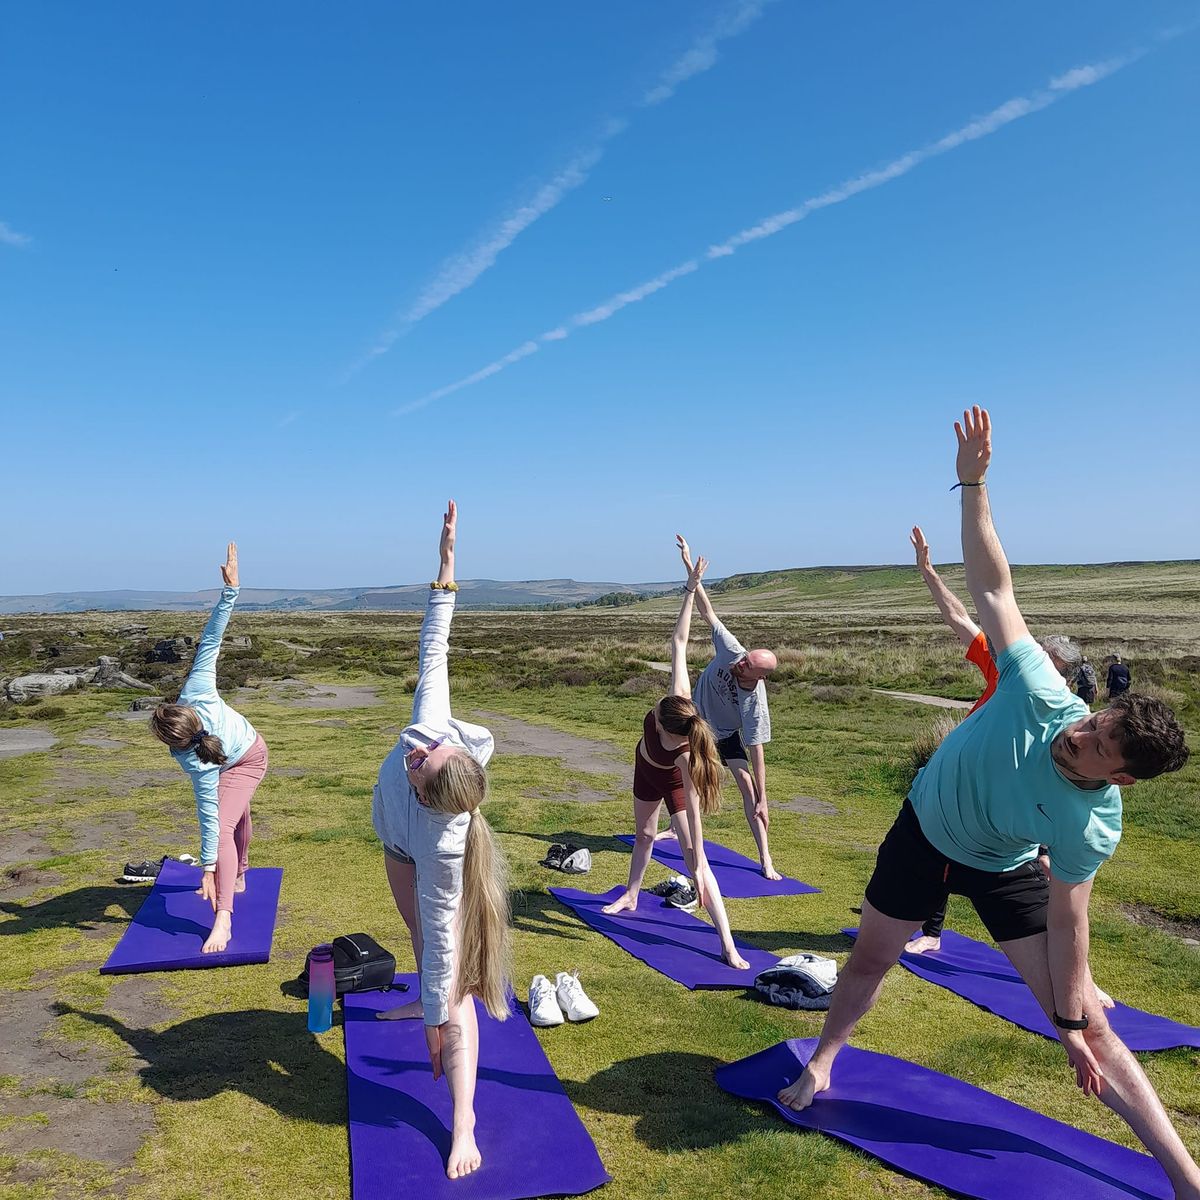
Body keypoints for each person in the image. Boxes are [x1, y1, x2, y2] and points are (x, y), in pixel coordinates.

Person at [778, 408, 1198, 1199]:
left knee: (1094, 1025)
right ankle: (826, 1058)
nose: (1079, 736)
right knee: (872, 958)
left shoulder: (1092, 822)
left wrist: (1071, 1023)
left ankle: (1184, 1175)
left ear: (1123, 780)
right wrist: (973, 484)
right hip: (925, 833)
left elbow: (1072, 920)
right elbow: (993, 585)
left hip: (1002, 863)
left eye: (1097, 747)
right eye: (1094, 722)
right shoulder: (1042, 690)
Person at [371, 501, 512, 1182]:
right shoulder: (432, 729)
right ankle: (427, 1001)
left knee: (449, 975)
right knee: (422, 946)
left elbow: (442, 925)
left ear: (431, 799)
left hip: (416, 853)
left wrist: (435, 1019)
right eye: (418, 755)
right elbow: (436, 645)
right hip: (395, 846)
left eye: (413, 770)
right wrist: (446, 564)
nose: (408, 757)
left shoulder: (447, 845)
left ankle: (463, 1120)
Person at [905, 526, 1080, 955]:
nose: (1039, 673)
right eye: (1039, 661)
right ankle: (930, 931)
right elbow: (959, 618)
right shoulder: (1006, 669)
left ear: (1064, 678)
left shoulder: (1069, 715)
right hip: (964, 780)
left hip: (1021, 797)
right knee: (935, 843)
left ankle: (1075, 970)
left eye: (1052, 669)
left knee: (1041, 873)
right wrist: (928, 572)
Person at [602, 548, 750, 971]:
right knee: (644, 835)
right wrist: (689, 586)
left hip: (668, 781)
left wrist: (698, 860)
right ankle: (630, 894)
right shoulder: (679, 700)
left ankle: (727, 943)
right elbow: (679, 641)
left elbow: (696, 815)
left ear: (671, 732)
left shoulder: (685, 755)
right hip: (643, 772)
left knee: (696, 862)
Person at [149, 543, 269, 955]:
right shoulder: (196, 692)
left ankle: (224, 919)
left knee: (226, 827)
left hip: (251, 756)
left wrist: (209, 866)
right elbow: (212, 638)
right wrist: (230, 590)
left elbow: (209, 822)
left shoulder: (187, 755)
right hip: (238, 752)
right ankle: (241, 871)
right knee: (234, 817)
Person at [675, 534, 781, 880]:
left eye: (748, 666)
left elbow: (757, 751)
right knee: (682, 773)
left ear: (759, 677)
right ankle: (676, 828)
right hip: (696, 721)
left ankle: (765, 857)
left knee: (747, 787)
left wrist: (764, 797)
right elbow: (708, 613)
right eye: (744, 660)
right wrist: (693, 574)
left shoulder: (754, 705)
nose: (740, 664)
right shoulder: (733, 650)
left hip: (725, 734)